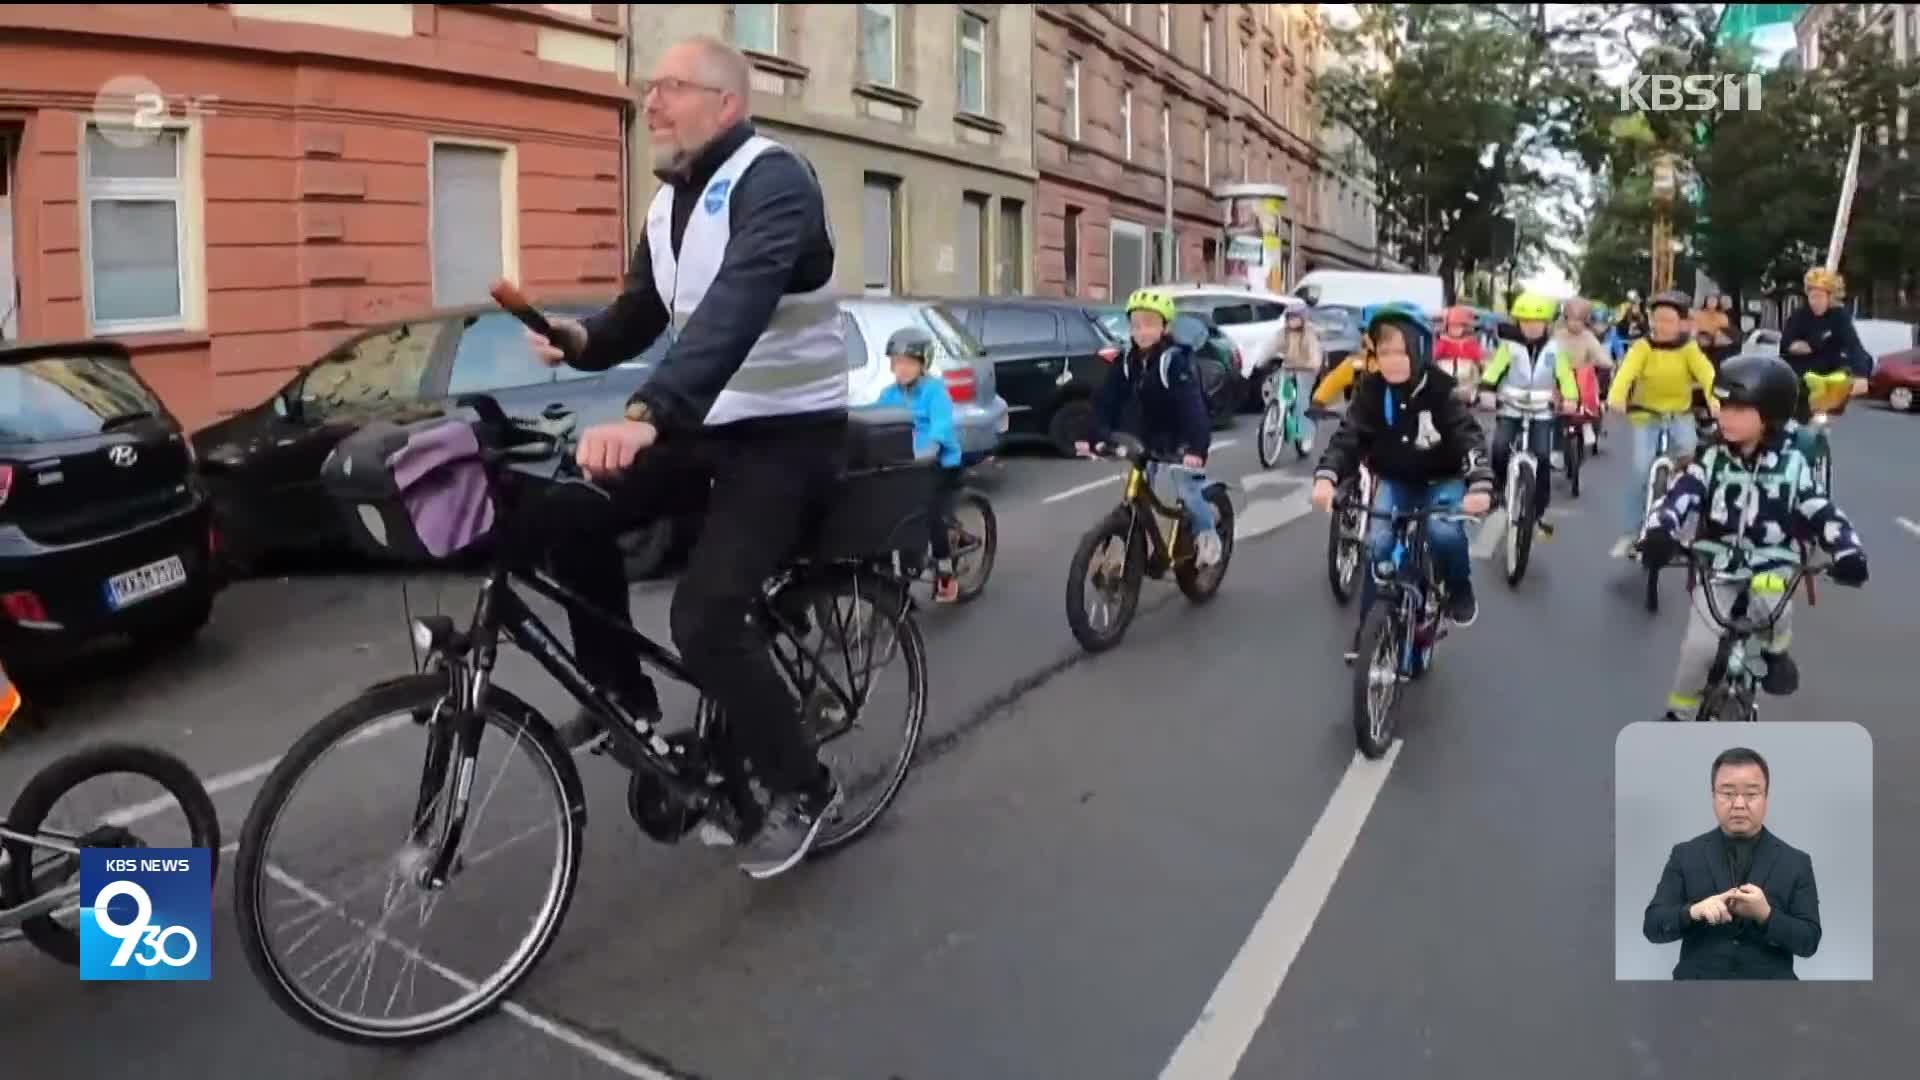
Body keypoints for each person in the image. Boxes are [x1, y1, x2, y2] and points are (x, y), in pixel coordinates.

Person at [523, 36, 849, 879]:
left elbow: (736, 305)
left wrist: (647, 412)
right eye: (648, 88)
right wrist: (581, 340)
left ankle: (806, 787)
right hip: (709, 430)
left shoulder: (778, 181)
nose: (650, 102)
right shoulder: (667, 207)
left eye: (669, 88)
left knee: (703, 618)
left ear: (727, 103)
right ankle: (623, 701)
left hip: (787, 435)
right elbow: (642, 313)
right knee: (566, 515)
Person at [1637, 353, 1868, 721]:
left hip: (1773, 560)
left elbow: (1823, 511)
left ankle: (1776, 650)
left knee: (1772, 601)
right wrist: (1659, 533)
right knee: (1698, 649)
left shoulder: (1793, 467)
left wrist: (1849, 551)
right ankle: (1678, 715)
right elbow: (1678, 498)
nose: (1724, 416)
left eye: (1739, 409)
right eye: (1723, 406)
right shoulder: (1711, 460)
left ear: (1771, 416)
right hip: (1716, 564)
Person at [1311, 305, 1494, 661]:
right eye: (1384, 353)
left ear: (1420, 350)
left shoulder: (1441, 390)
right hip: (1395, 480)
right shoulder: (1371, 392)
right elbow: (1349, 438)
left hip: (1442, 480)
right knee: (1378, 545)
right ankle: (1368, 632)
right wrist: (1327, 477)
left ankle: (1458, 589)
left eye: (1401, 351)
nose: (1392, 361)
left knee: (1443, 532)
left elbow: (1467, 437)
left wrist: (1480, 485)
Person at [1641, 747, 1822, 980]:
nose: (1739, 804)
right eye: (1727, 793)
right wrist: (1693, 912)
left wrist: (1766, 915)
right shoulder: (1684, 855)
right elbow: (1653, 926)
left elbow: (1809, 942)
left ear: (1766, 796)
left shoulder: (1796, 862)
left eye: (1751, 794)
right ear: (1713, 795)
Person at [1077, 288, 1223, 568]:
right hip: (1146, 437)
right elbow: (1106, 400)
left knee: (1187, 490)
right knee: (1142, 492)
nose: (1142, 332)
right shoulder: (1128, 362)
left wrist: (1196, 448)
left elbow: (1193, 408)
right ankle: (1137, 544)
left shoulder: (1174, 361)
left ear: (1165, 327)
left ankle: (1207, 536)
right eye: (1136, 325)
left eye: (1150, 325)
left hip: (1180, 439)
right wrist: (1094, 435)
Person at [1605, 290, 1718, 559]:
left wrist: (1715, 399)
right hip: (1646, 416)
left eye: (1668, 320)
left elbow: (1707, 374)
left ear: (1681, 323)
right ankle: (1631, 534)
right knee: (1640, 471)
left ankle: (1687, 523)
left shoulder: (1688, 349)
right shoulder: (1642, 347)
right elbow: (1626, 374)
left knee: (1690, 460)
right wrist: (1616, 398)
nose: (1661, 326)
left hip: (1680, 414)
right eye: (1657, 319)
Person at [875, 327, 963, 603]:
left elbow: (940, 426)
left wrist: (930, 448)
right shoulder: (889, 394)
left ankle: (946, 572)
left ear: (923, 364)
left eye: (908, 363)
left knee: (931, 515)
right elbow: (874, 418)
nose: (900, 369)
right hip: (905, 465)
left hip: (937, 464)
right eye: (896, 362)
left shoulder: (935, 392)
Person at [1478, 292, 1576, 519]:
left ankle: (1540, 503)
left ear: (1547, 325)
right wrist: (1487, 391)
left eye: (1537, 322)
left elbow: (1565, 376)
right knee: (1500, 447)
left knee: (1542, 455)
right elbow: (1494, 371)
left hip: (1542, 409)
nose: (1531, 327)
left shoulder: (1555, 349)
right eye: (1525, 322)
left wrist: (1571, 398)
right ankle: (1498, 489)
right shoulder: (1508, 347)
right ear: (1518, 323)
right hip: (1510, 406)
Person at [1780, 267, 1874, 424]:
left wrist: (1861, 375)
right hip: (1801, 374)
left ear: (1830, 297)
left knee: (1864, 361)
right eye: (1812, 297)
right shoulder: (1799, 316)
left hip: (1826, 373)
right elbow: (1788, 345)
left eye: (1819, 297)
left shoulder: (1839, 317)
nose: (1815, 302)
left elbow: (1854, 346)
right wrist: (1810, 345)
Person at [1554, 296, 1612, 453]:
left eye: (1579, 320)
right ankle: (1556, 446)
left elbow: (1600, 355)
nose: (1575, 324)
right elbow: (1548, 355)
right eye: (1572, 319)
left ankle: (1587, 422)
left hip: (1583, 376)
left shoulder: (1588, 337)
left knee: (1588, 379)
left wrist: (1606, 363)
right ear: (1565, 319)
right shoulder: (1558, 336)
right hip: (1561, 375)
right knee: (1554, 409)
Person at [1269, 307, 1325, 451]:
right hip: (1289, 367)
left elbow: (1315, 351)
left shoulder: (1309, 334)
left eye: (1296, 318)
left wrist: (1314, 363)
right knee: (1277, 391)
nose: (1292, 321)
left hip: (1307, 369)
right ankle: (1274, 419)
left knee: (1301, 400)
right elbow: (1269, 347)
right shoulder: (1283, 333)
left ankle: (1306, 435)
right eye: (1290, 318)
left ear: (1303, 319)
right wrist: (1257, 362)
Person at [1433, 305, 1485, 404]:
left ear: (1465, 327)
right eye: (1452, 326)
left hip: (1466, 379)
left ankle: (1469, 396)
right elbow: (1435, 356)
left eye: (1458, 326)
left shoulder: (1470, 343)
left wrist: (1480, 366)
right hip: (1447, 378)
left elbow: (1478, 358)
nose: (1455, 329)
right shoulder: (1443, 341)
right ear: (1446, 326)